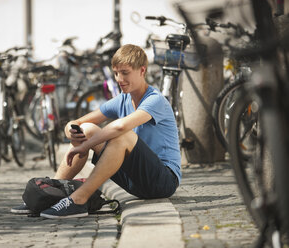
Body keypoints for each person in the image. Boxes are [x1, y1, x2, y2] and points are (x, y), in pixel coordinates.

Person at [11, 44, 181, 218]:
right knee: (87, 130)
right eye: (116, 73)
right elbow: (79, 122)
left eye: (125, 72)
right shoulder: (122, 99)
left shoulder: (155, 100)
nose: (119, 79)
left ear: (142, 71)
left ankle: (78, 199)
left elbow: (120, 127)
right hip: (135, 181)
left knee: (121, 136)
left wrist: (86, 146)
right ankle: (48, 196)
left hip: (163, 181)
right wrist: (70, 129)